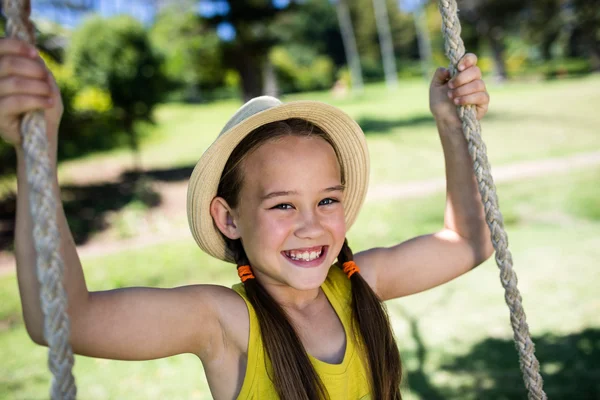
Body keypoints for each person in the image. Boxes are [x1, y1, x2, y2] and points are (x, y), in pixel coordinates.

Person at [0, 36, 492, 400]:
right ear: (228, 219)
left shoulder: (362, 282)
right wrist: (36, 151)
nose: (311, 225)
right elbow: (62, 318)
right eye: (282, 205)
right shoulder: (224, 322)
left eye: (327, 200)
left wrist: (452, 129)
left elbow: (469, 242)